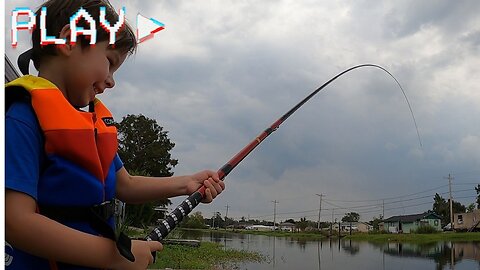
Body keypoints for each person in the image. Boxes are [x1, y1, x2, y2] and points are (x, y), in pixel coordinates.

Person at [5, 0, 225, 269]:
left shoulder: (91, 127)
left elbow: (126, 184)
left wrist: (186, 183)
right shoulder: (22, 119)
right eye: (109, 62)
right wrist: (116, 257)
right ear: (69, 41)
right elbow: (15, 222)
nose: (111, 80)